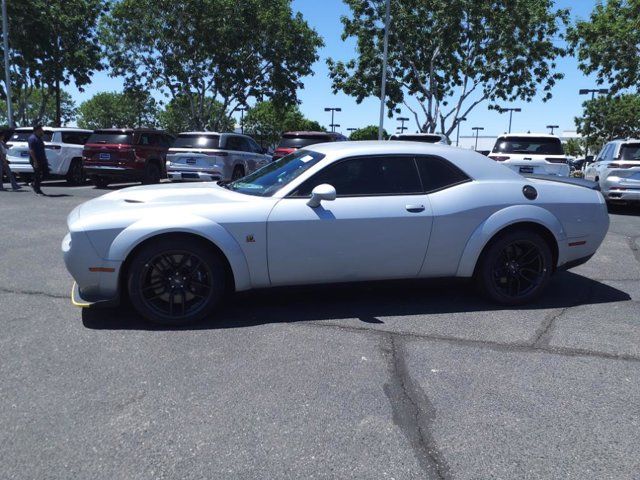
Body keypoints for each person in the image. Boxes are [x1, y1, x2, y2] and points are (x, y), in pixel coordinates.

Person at [28, 124, 48, 195]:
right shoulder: (32, 138)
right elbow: (31, 151)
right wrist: (35, 161)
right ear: (37, 130)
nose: (42, 131)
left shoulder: (39, 138)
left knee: (46, 173)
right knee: (37, 174)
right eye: (41, 130)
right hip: (36, 160)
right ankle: (37, 189)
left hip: (42, 159)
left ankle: (34, 184)